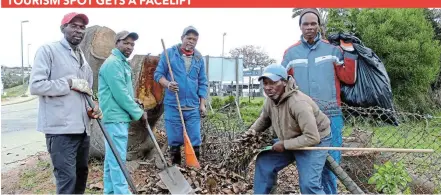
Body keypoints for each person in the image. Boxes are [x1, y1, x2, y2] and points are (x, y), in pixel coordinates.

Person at [281, 8, 357, 194]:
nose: (309, 27)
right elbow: (281, 85)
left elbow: (349, 78)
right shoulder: (290, 54)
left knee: (332, 165)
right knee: (308, 166)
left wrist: (349, 50)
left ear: (319, 26)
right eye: (305, 24)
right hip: (303, 119)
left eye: (313, 23)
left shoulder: (333, 50)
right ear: (300, 27)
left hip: (331, 116)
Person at [29, 12, 102, 194]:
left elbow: (85, 92)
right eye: (74, 26)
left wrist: (92, 107)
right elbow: (36, 86)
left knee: (81, 175)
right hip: (60, 130)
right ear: (63, 28)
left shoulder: (82, 58)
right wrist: (68, 83)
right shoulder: (48, 50)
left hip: (82, 129)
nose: (78, 30)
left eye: (82, 27)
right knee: (67, 180)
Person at [245, 64, 332, 194]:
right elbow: (263, 120)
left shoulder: (298, 103)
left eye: (273, 83)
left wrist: (285, 144)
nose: (268, 87)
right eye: (265, 83)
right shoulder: (270, 101)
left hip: (313, 142)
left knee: (309, 184)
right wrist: (248, 136)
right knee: (264, 163)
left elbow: (312, 137)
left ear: (284, 82)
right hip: (289, 140)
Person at [98, 30, 147, 194]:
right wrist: (139, 114)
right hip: (115, 118)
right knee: (118, 161)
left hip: (116, 118)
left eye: (132, 44)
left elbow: (123, 93)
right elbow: (120, 94)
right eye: (126, 43)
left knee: (112, 160)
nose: (129, 47)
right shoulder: (113, 64)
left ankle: (110, 192)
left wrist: (134, 101)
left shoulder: (121, 63)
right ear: (117, 43)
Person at [154, 26, 208, 165]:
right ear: (182, 38)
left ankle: (194, 169)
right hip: (173, 105)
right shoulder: (169, 54)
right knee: (175, 139)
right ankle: (176, 168)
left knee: (195, 138)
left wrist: (202, 104)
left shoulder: (198, 58)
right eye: (188, 38)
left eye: (194, 39)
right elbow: (158, 75)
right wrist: (168, 84)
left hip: (192, 106)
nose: (191, 41)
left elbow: (203, 82)